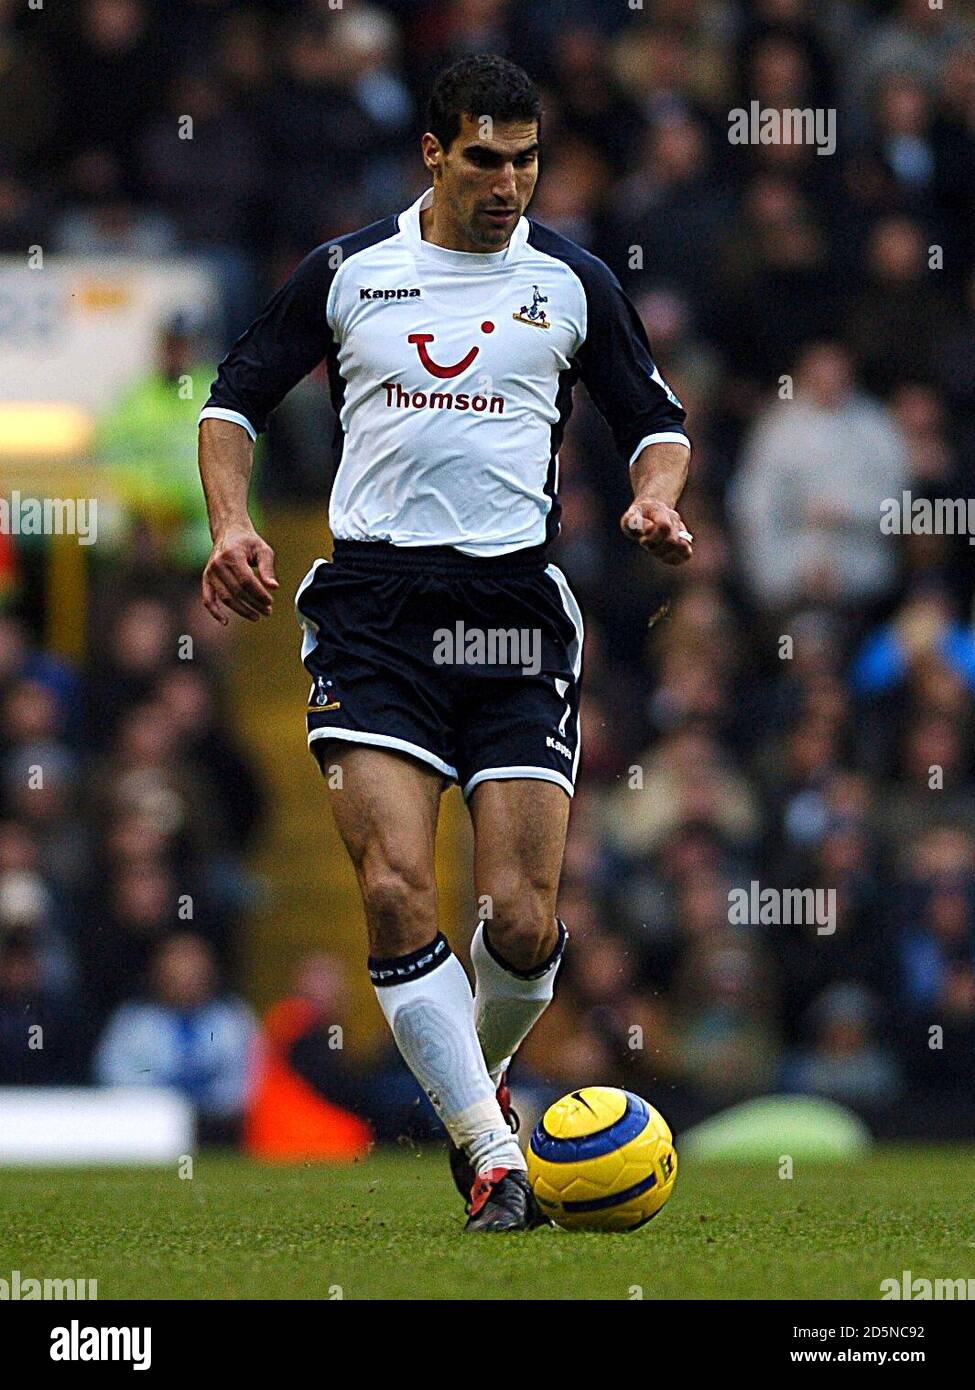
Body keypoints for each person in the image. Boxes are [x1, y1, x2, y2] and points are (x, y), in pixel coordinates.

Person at [197, 55, 691, 1231]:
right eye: (485, 158)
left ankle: (473, 1083)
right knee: (392, 886)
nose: (510, 182)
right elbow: (231, 402)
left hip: (516, 614)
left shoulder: (571, 283)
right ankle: (489, 1154)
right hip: (374, 612)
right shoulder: (347, 270)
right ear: (433, 152)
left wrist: (656, 498)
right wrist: (230, 524)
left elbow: (653, 420)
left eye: (526, 159)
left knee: (521, 919)